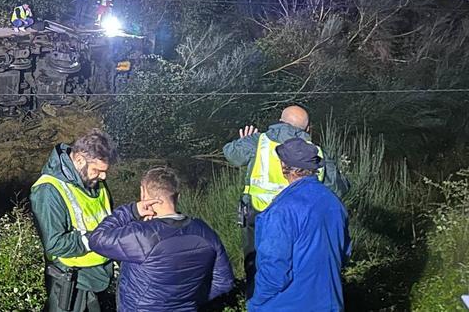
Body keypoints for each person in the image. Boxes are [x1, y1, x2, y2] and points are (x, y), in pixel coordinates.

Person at [223, 105, 348, 294]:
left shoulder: (259, 141)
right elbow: (338, 188)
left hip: (257, 217)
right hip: (302, 220)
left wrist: (244, 141)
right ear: (308, 129)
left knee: (258, 270)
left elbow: (231, 154)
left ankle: (257, 298)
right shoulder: (315, 152)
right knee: (298, 268)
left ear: (280, 122)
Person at [88, 166, 234, 311]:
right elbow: (224, 282)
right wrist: (189, 300)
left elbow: (97, 239)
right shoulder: (205, 232)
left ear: (143, 194)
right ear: (178, 196)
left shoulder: (142, 235)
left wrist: (132, 211)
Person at [248, 138, 351, 311]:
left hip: (287, 304)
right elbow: (344, 253)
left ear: (284, 166)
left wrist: (256, 302)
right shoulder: (334, 202)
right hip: (330, 302)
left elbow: (274, 271)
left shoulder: (280, 211)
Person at [31, 129, 116, 312]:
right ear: (79, 160)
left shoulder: (93, 181)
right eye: (97, 170)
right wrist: (94, 238)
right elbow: (54, 244)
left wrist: (133, 213)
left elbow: (108, 217)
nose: (103, 177)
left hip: (98, 279)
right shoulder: (48, 190)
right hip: (71, 284)